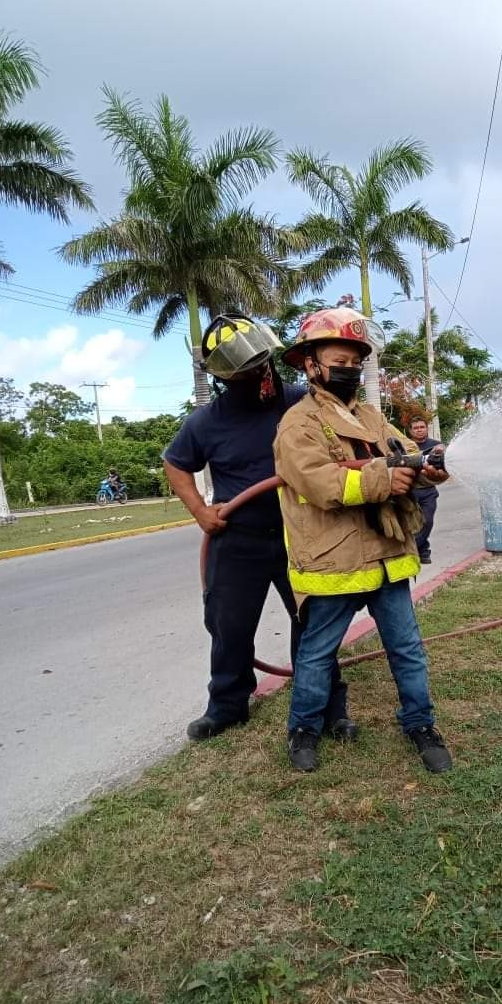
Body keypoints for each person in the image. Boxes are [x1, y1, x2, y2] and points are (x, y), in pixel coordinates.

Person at [273, 307, 453, 775]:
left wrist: (429, 464)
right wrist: (380, 481)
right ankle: (304, 729)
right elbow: (321, 483)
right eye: (340, 360)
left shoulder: (372, 418)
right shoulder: (298, 425)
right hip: (336, 561)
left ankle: (421, 724)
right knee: (317, 653)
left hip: (388, 554)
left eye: (357, 362)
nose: (350, 370)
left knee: (407, 647)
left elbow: (405, 457)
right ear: (310, 364)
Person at [163, 312, 355, 742]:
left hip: (302, 534)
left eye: (263, 365)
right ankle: (227, 707)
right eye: (247, 373)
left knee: (314, 622)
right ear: (225, 379)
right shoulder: (206, 422)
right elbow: (175, 463)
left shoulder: (302, 403)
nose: (260, 376)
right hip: (237, 539)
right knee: (228, 625)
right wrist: (200, 510)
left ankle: (327, 707)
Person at [408, 416, 443, 564]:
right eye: (416, 428)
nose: (419, 430)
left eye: (422, 427)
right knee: (413, 524)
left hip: (429, 491)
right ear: (410, 431)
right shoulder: (408, 446)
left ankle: (416, 548)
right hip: (411, 491)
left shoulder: (437, 446)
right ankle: (423, 551)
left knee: (427, 522)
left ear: (427, 428)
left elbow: (443, 468)